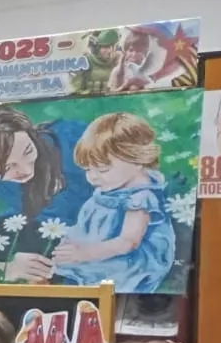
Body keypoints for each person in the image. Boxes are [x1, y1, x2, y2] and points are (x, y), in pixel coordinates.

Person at [0, 104, 94, 283]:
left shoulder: (70, 139)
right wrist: (7, 269)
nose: (25, 169)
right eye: (5, 168)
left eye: (28, 151)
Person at [52, 112, 176, 292]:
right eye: (88, 170)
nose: (93, 177)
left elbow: (128, 242)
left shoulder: (140, 198)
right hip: (100, 247)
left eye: (103, 169)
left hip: (128, 257)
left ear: (138, 159)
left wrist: (85, 253)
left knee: (104, 275)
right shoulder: (112, 186)